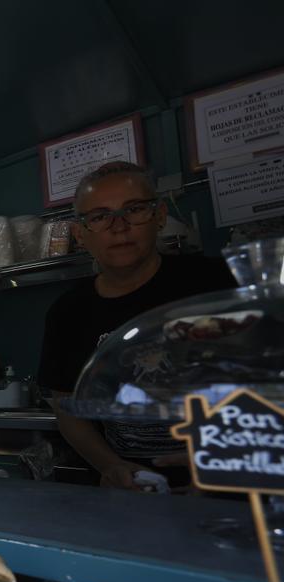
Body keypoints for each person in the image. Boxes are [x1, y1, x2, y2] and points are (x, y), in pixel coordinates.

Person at [38, 162, 235, 490]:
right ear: (81, 234)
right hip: (134, 494)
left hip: (231, 485)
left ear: (159, 216)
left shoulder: (217, 282)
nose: (119, 226)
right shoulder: (67, 313)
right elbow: (66, 407)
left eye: (134, 209)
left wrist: (231, 453)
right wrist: (111, 466)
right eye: (100, 216)